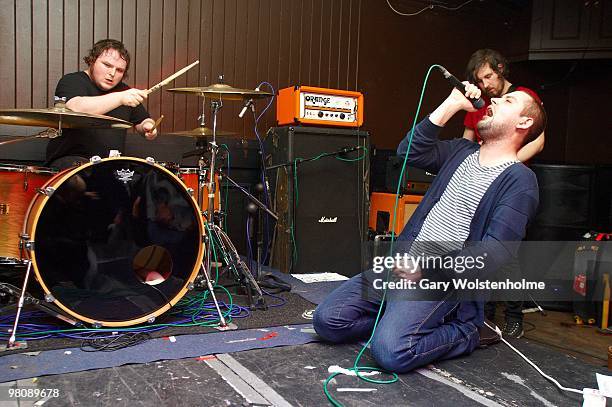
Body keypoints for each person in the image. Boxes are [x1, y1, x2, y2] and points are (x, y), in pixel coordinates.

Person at [313, 83, 546, 373]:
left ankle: (469, 332)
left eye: (507, 100)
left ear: (524, 123)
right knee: (328, 321)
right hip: (402, 265)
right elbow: (409, 151)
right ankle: (397, 319)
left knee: (391, 352)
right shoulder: (461, 151)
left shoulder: (519, 181)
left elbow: (495, 252)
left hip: (440, 281)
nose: (495, 100)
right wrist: (451, 103)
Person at [464, 49, 545, 338]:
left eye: (488, 76)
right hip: (483, 182)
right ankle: (482, 316)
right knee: (478, 247)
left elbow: (539, 141)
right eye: (480, 80)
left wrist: (505, 165)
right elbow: (467, 144)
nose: (485, 85)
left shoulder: (523, 97)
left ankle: (514, 317)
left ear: (501, 69)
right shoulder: (481, 107)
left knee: (507, 252)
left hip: (509, 181)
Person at [46, 39, 158, 169]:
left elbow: (143, 121)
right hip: (70, 163)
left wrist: (149, 127)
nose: (112, 74)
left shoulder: (125, 91)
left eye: (120, 70)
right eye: (107, 65)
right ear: (92, 60)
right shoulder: (72, 81)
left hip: (110, 164)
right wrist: (120, 98)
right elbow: (75, 107)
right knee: (77, 181)